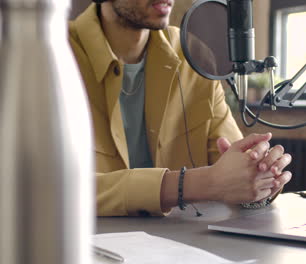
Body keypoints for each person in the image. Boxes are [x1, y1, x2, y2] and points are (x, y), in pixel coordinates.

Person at [68, 0, 292, 216]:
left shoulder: (192, 54)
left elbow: (236, 166)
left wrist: (257, 182)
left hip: (181, 246)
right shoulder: (49, 51)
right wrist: (200, 184)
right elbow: (49, 187)